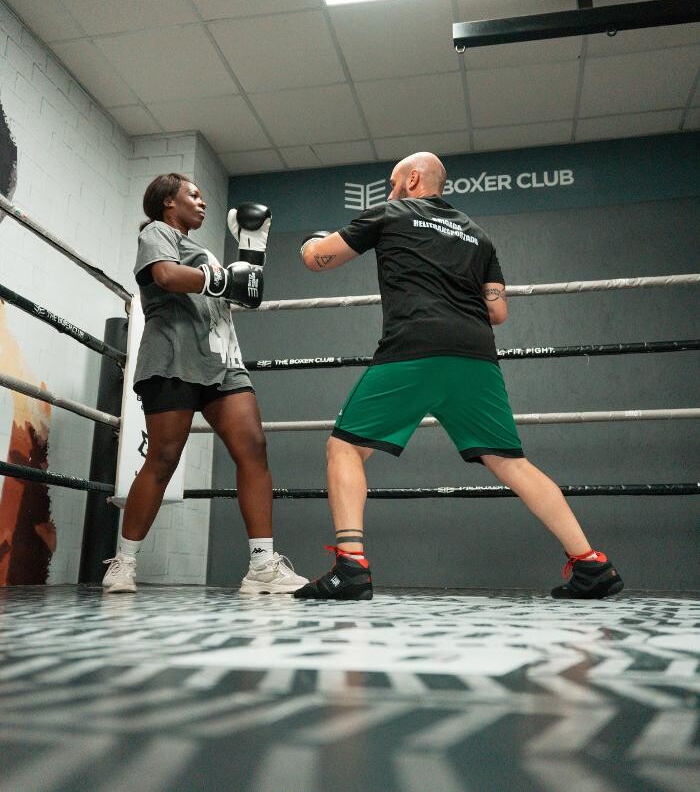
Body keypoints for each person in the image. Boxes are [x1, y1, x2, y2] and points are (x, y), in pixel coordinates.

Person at [293, 152, 623, 602]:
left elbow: (318, 260)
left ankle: (350, 565)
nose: (390, 190)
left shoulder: (392, 212)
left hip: (415, 346)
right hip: (476, 356)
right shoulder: (479, 236)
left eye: (393, 181)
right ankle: (590, 563)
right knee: (511, 461)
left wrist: (310, 242)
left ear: (412, 179)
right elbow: (498, 311)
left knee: (344, 447)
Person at [102, 173, 307, 595]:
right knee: (163, 457)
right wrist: (226, 278)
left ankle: (262, 566)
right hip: (173, 356)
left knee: (253, 448)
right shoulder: (157, 233)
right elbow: (165, 276)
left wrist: (251, 251)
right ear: (168, 202)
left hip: (223, 360)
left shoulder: (206, 252)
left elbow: (246, 295)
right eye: (192, 195)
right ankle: (124, 562)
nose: (202, 201)